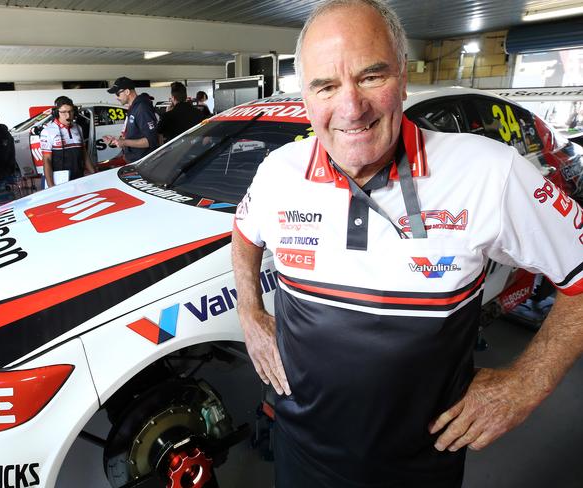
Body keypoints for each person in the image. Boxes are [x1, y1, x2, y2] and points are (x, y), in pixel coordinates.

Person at [231, 1, 583, 487]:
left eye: (371, 77)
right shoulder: (278, 173)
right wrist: (250, 313)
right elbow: (245, 232)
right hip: (299, 454)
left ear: (402, 78)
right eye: (327, 86)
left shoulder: (488, 172)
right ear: (307, 98)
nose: (351, 108)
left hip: (418, 468)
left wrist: (527, 384)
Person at [40, 96, 95, 188]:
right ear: (57, 113)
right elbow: (47, 160)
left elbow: (84, 153)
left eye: (70, 111)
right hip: (60, 181)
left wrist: (94, 173)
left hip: (79, 178)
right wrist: (51, 186)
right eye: (64, 112)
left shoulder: (78, 128)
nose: (68, 116)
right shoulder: (48, 131)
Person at [103, 77, 159, 163]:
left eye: (117, 94)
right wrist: (116, 140)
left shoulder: (142, 108)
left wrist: (124, 142)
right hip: (134, 160)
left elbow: (151, 141)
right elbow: (134, 135)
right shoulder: (133, 108)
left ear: (127, 92)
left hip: (143, 162)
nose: (116, 97)